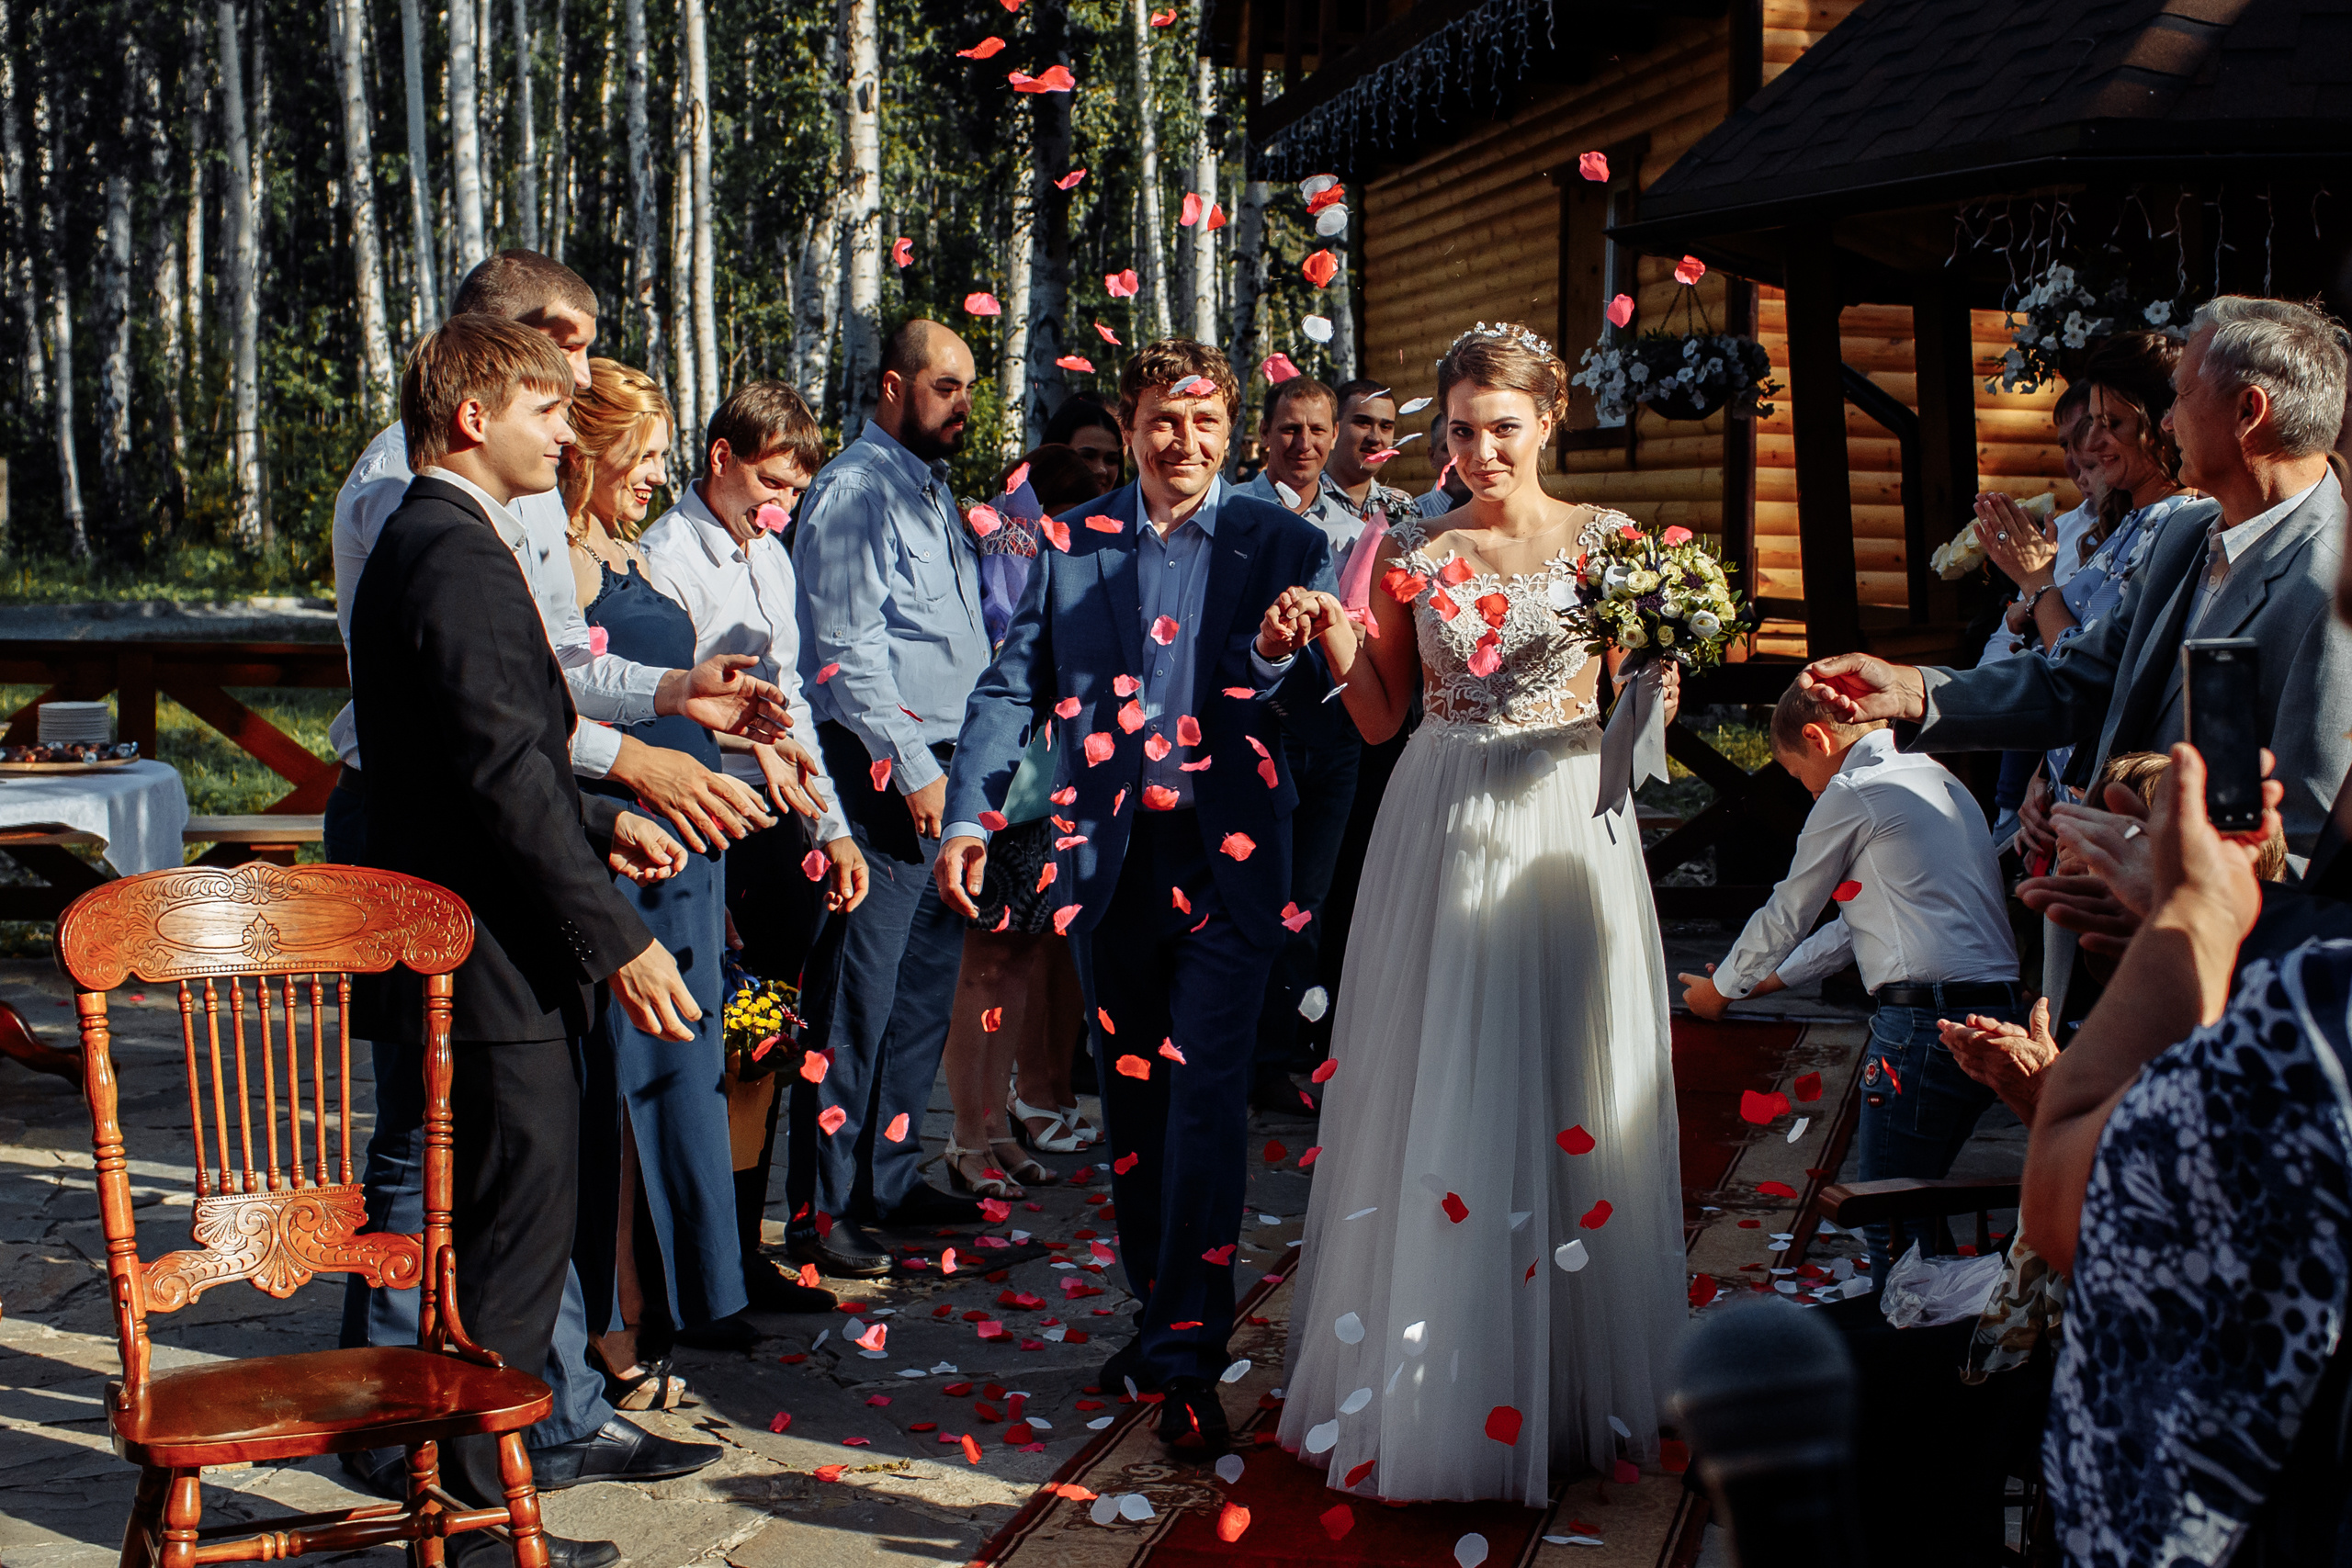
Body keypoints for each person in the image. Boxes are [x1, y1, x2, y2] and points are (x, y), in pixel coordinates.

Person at [327, 251, 754, 1500]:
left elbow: (510, 733)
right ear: (477, 410)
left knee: (517, 1200)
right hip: (485, 928)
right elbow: (493, 770)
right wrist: (616, 930)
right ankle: (468, 1475)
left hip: (506, 900)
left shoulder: (456, 530)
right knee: (500, 1220)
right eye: (550, 402)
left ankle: (495, 1448)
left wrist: (605, 807)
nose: (571, 423)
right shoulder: (441, 541)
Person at [1267, 322, 1687, 1504]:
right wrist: (1344, 641)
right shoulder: (1408, 541)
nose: (1481, 449)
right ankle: (1438, 1384)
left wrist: (1664, 672)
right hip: (1442, 810)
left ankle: (1561, 1383)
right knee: (1444, 1075)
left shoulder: (1611, 544)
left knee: (1565, 1074)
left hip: (1568, 811)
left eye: (1503, 426)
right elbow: (1380, 714)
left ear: (1547, 420)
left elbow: (1646, 694)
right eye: (1460, 429)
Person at [934, 338, 1339, 1453]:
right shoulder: (1074, 540)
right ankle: (1160, 1313)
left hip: (1230, 862)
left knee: (1205, 1096)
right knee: (1134, 1105)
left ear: (1234, 430)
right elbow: (1014, 680)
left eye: (1207, 425)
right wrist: (968, 813)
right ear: (1132, 418)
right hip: (1110, 862)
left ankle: (1185, 1357)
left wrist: (1268, 659)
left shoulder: (1284, 541)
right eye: (1166, 421)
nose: (1186, 444)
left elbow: (1316, 706)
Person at [1804, 296, 2352, 871]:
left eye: (2181, 397)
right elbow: (2082, 679)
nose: (2167, 422)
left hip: (2198, 944)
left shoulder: (2331, 585)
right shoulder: (2187, 536)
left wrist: (2153, 895)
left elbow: (2303, 845)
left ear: (2248, 411)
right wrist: (1910, 691)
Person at [639, 380, 875, 1305]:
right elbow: (670, 703)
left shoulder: (770, 556)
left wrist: (835, 826)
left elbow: (795, 701)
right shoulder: (667, 559)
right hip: (707, 813)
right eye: (768, 483)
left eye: (795, 492)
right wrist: (751, 742)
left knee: (767, 1035)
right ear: (720, 459)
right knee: (717, 1034)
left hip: (781, 822)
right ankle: (698, 1263)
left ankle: (744, 1250)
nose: (780, 506)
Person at [1679, 679, 2025, 1281]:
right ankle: (1955, 1329)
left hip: (1925, 1025)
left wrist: (1719, 991)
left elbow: (1790, 908)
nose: (1802, 786)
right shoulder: (1935, 776)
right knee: (1921, 1202)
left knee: (1891, 1219)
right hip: (1991, 1008)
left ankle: (1925, 1351)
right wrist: (1762, 980)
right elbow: (1857, 922)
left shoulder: (1852, 790)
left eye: (1795, 771)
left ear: (1816, 738)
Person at [786, 321, 994, 1276]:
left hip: (948, 766)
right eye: (945, 386)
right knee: (857, 1002)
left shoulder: (928, 488)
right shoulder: (856, 491)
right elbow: (843, 652)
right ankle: (825, 1209)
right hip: (886, 770)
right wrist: (913, 766)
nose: (962, 404)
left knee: (920, 996)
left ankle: (891, 1177)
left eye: (968, 388)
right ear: (892, 386)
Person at [937, 446, 1104, 1195]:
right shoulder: (1007, 537)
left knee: (1026, 954)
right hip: (1007, 775)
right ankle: (966, 1132)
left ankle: (999, 1124)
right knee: (985, 961)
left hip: (1048, 778)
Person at [1238, 377, 1366, 1112]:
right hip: (1264, 732)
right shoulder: (1239, 511)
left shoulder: (1358, 517)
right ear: (1265, 434)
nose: (1307, 445)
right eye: (1291, 430)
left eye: (1320, 430)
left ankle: (1287, 1052)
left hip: (1338, 732)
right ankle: (1248, 1053)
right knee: (1259, 895)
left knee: (1310, 902)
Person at [1324, 379, 1414, 522]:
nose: (1375, 438)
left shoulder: (1401, 506)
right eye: (1363, 423)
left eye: (1385, 427)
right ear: (1334, 428)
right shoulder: (1307, 500)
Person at [1043, 391, 1125, 496]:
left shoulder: (1137, 510)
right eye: (1088, 456)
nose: (1102, 470)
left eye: (1111, 460)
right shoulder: (1021, 510)